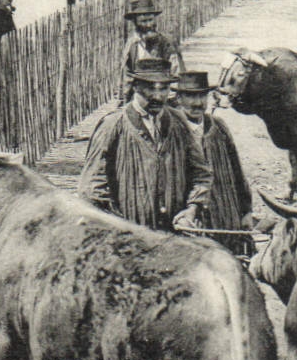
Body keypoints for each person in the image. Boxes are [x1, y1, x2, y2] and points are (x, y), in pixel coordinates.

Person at [77, 57, 212, 232]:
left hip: (174, 236)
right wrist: (120, 228)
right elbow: (91, 190)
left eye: (163, 88)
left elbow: (201, 174)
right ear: (135, 86)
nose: (157, 96)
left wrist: (192, 209)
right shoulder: (113, 126)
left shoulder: (178, 122)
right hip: (131, 239)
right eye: (150, 87)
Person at [173, 71, 253, 242]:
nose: (197, 103)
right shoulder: (171, 131)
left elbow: (237, 172)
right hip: (190, 219)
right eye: (190, 96)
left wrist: (246, 212)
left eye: (202, 96)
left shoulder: (219, 127)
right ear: (179, 98)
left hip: (224, 211)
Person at [122, 0, 185, 98]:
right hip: (140, 95)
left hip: (164, 94)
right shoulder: (132, 45)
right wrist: (125, 97)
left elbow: (178, 73)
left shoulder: (167, 43)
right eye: (143, 21)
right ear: (135, 23)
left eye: (150, 20)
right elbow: (127, 74)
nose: (148, 25)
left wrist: (172, 97)